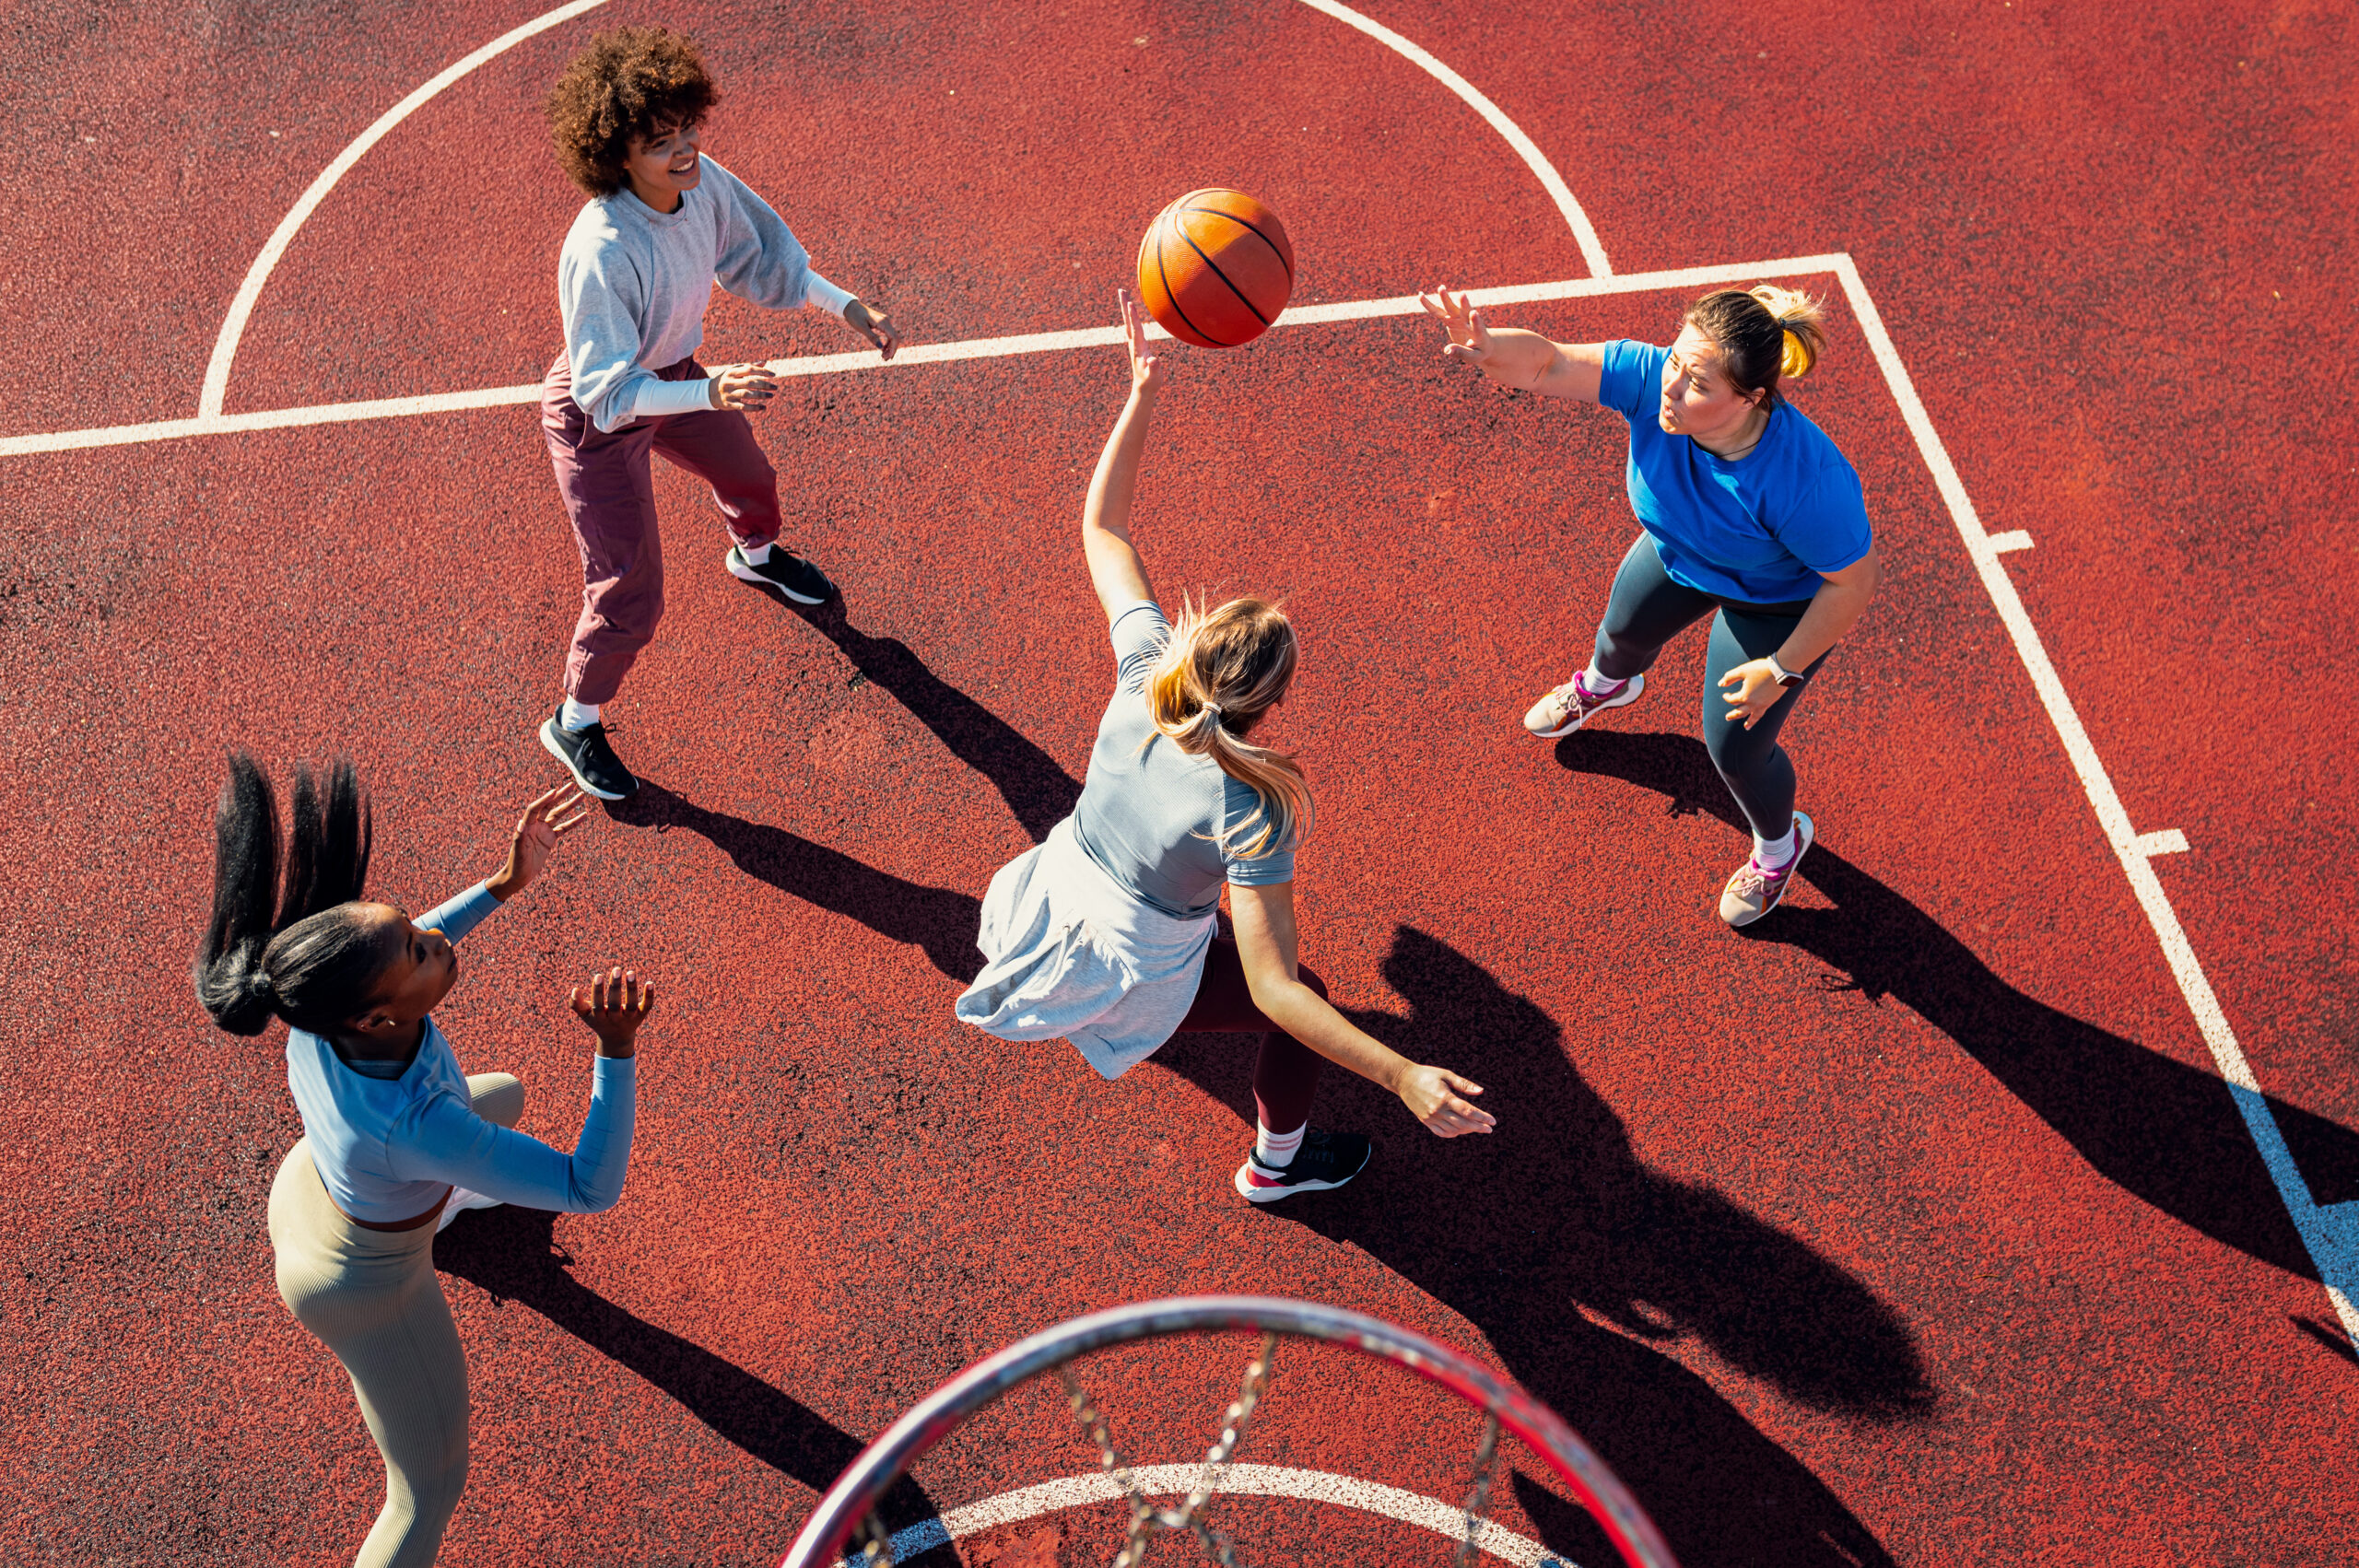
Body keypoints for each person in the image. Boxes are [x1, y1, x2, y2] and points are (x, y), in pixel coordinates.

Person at [957, 293, 1496, 1201]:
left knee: (1243, 952)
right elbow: (1277, 990)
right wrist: (1401, 1074)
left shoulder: (1143, 678)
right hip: (1130, 954)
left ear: (1193, 646)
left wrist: (1138, 395)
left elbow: (1103, 530)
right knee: (1305, 1001)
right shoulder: (1252, 807)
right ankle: (1275, 1168)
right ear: (1272, 701)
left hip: (1048, 895)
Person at [194, 757, 656, 1568]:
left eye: (414, 926)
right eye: (418, 949)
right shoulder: (420, 1126)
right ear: (378, 1018)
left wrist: (504, 884)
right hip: (360, 1284)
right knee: (428, 1493)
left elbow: (393, 947)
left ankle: (446, 1207)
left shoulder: (311, 999)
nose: (436, 938)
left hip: (314, 1183)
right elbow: (591, 1187)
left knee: (503, 1095)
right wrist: (614, 1051)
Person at [1420, 284, 1882, 926]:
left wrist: (1781, 669)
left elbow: (1852, 584)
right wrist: (1491, 346)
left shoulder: (1804, 482)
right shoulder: (1649, 379)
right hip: (1679, 555)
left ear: (1751, 399)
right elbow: (1549, 363)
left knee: (1735, 750)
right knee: (1620, 635)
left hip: (1774, 603)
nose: (1669, 387)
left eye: (1696, 383)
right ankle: (1607, 687)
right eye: (1674, 361)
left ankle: (1781, 848)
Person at [535, 26, 904, 801]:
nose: (683, 149)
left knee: (749, 473)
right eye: (660, 141)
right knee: (629, 589)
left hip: (672, 378)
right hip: (599, 415)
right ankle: (575, 718)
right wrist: (709, 390)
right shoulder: (601, 248)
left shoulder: (701, 183)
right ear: (616, 158)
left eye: (686, 128)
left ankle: (757, 555)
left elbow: (764, 256)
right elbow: (608, 394)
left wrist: (846, 307)